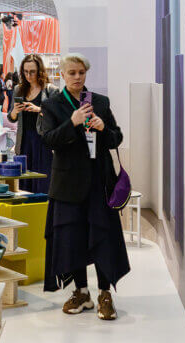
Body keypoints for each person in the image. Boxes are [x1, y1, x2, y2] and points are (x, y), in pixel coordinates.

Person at [37, 53, 129, 321]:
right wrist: (73, 122)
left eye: (81, 72)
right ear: (62, 75)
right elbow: (49, 140)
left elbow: (116, 138)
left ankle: (104, 293)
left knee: (102, 236)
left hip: (98, 181)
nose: (77, 77)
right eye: (72, 73)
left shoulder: (99, 102)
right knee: (72, 238)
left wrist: (103, 128)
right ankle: (81, 291)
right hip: (67, 184)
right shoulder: (52, 105)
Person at [8, 55, 55, 194]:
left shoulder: (50, 90)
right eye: (25, 72)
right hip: (24, 141)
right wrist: (15, 111)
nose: (28, 75)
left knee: (43, 181)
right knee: (24, 183)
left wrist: (39, 109)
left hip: (43, 141)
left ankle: (43, 206)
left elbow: (56, 117)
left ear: (39, 71)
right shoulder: (18, 89)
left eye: (32, 72)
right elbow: (11, 118)